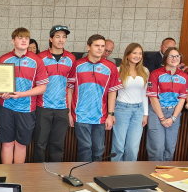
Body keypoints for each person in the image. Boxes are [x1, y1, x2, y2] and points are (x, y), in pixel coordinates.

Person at [0, 28, 48, 164]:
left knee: (21, 144)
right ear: (13, 41)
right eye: (20, 38)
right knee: (7, 143)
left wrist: (22, 94)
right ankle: (7, 177)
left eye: (26, 38)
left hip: (27, 109)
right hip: (6, 107)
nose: (24, 40)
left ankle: (18, 176)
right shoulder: (4, 59)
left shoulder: (37, 60)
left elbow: (42, 88)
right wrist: (2, 94)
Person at [68, 34, 122, 162]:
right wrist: (69, 112)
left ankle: (94, 178)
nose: (100, 49)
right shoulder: (76, 65)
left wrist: (110, 114)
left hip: (100, 115)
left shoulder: (111, 67)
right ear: (88, 47)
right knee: (84, 148)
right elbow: (69, 89)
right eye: (97, 45)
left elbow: (112, 92)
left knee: (98, 149)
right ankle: (84, 177)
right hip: (80, 114)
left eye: (102, 46)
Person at [34, 25, 75, 162]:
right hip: (43, 106)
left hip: (62, 108)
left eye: (64, 37)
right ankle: (38, 174)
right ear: (51, 39)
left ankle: (54, 175)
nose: (61, 40)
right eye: (58, 36)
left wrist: (68, 110)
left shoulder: (70, 58)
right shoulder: (40, 58)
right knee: (40, 144)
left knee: (58, 144)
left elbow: (70, 86)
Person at [146, 47, 188, 161]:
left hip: (174, 112)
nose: (174, 58)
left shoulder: (184, 76)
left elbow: (182, 99)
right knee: (157, 147)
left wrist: (173, 118)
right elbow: (153, 98)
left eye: (177, 56)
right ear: (165, 58)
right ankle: (154, 175)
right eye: (171, 56)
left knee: (170, 148)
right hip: (157, 111)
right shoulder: (156, 74)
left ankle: (165, 175)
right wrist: (162, 118)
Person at [111, 43, 149, 162]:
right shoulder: (118, 70)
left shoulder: (145, 71)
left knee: (133, 146)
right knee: (119, 145)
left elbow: (144, 93)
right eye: (134, 53)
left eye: (140, 53)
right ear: (127, 54)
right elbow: (111, 93)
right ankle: (115, 172)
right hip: (122, 109)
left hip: (138, 110)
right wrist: (110, 113)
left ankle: (129, 174)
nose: (137, 56)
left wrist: (146, 114)